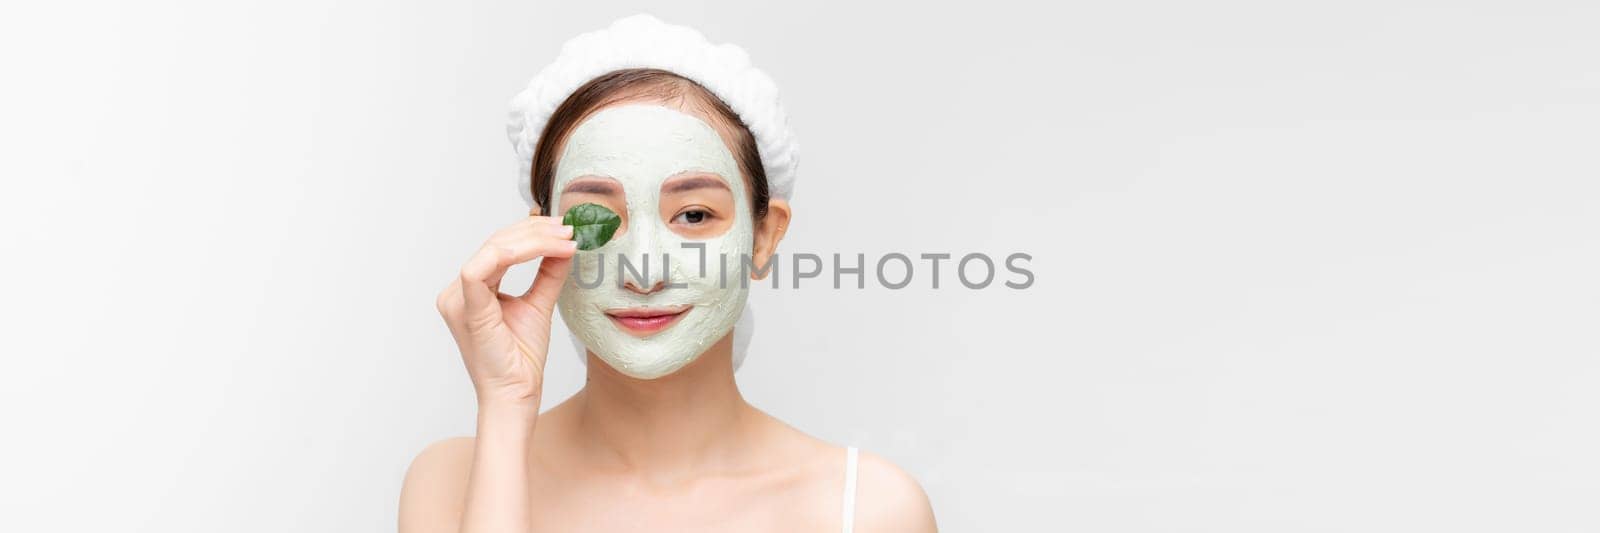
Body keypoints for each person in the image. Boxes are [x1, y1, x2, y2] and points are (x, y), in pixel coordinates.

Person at [399, 15, 937, 533]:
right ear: (542, 238)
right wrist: (506, 404)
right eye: (598, 219)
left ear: (765, 235)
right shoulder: (453, 482)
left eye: (695, 216)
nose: (645, 273)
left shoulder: (869, 511)